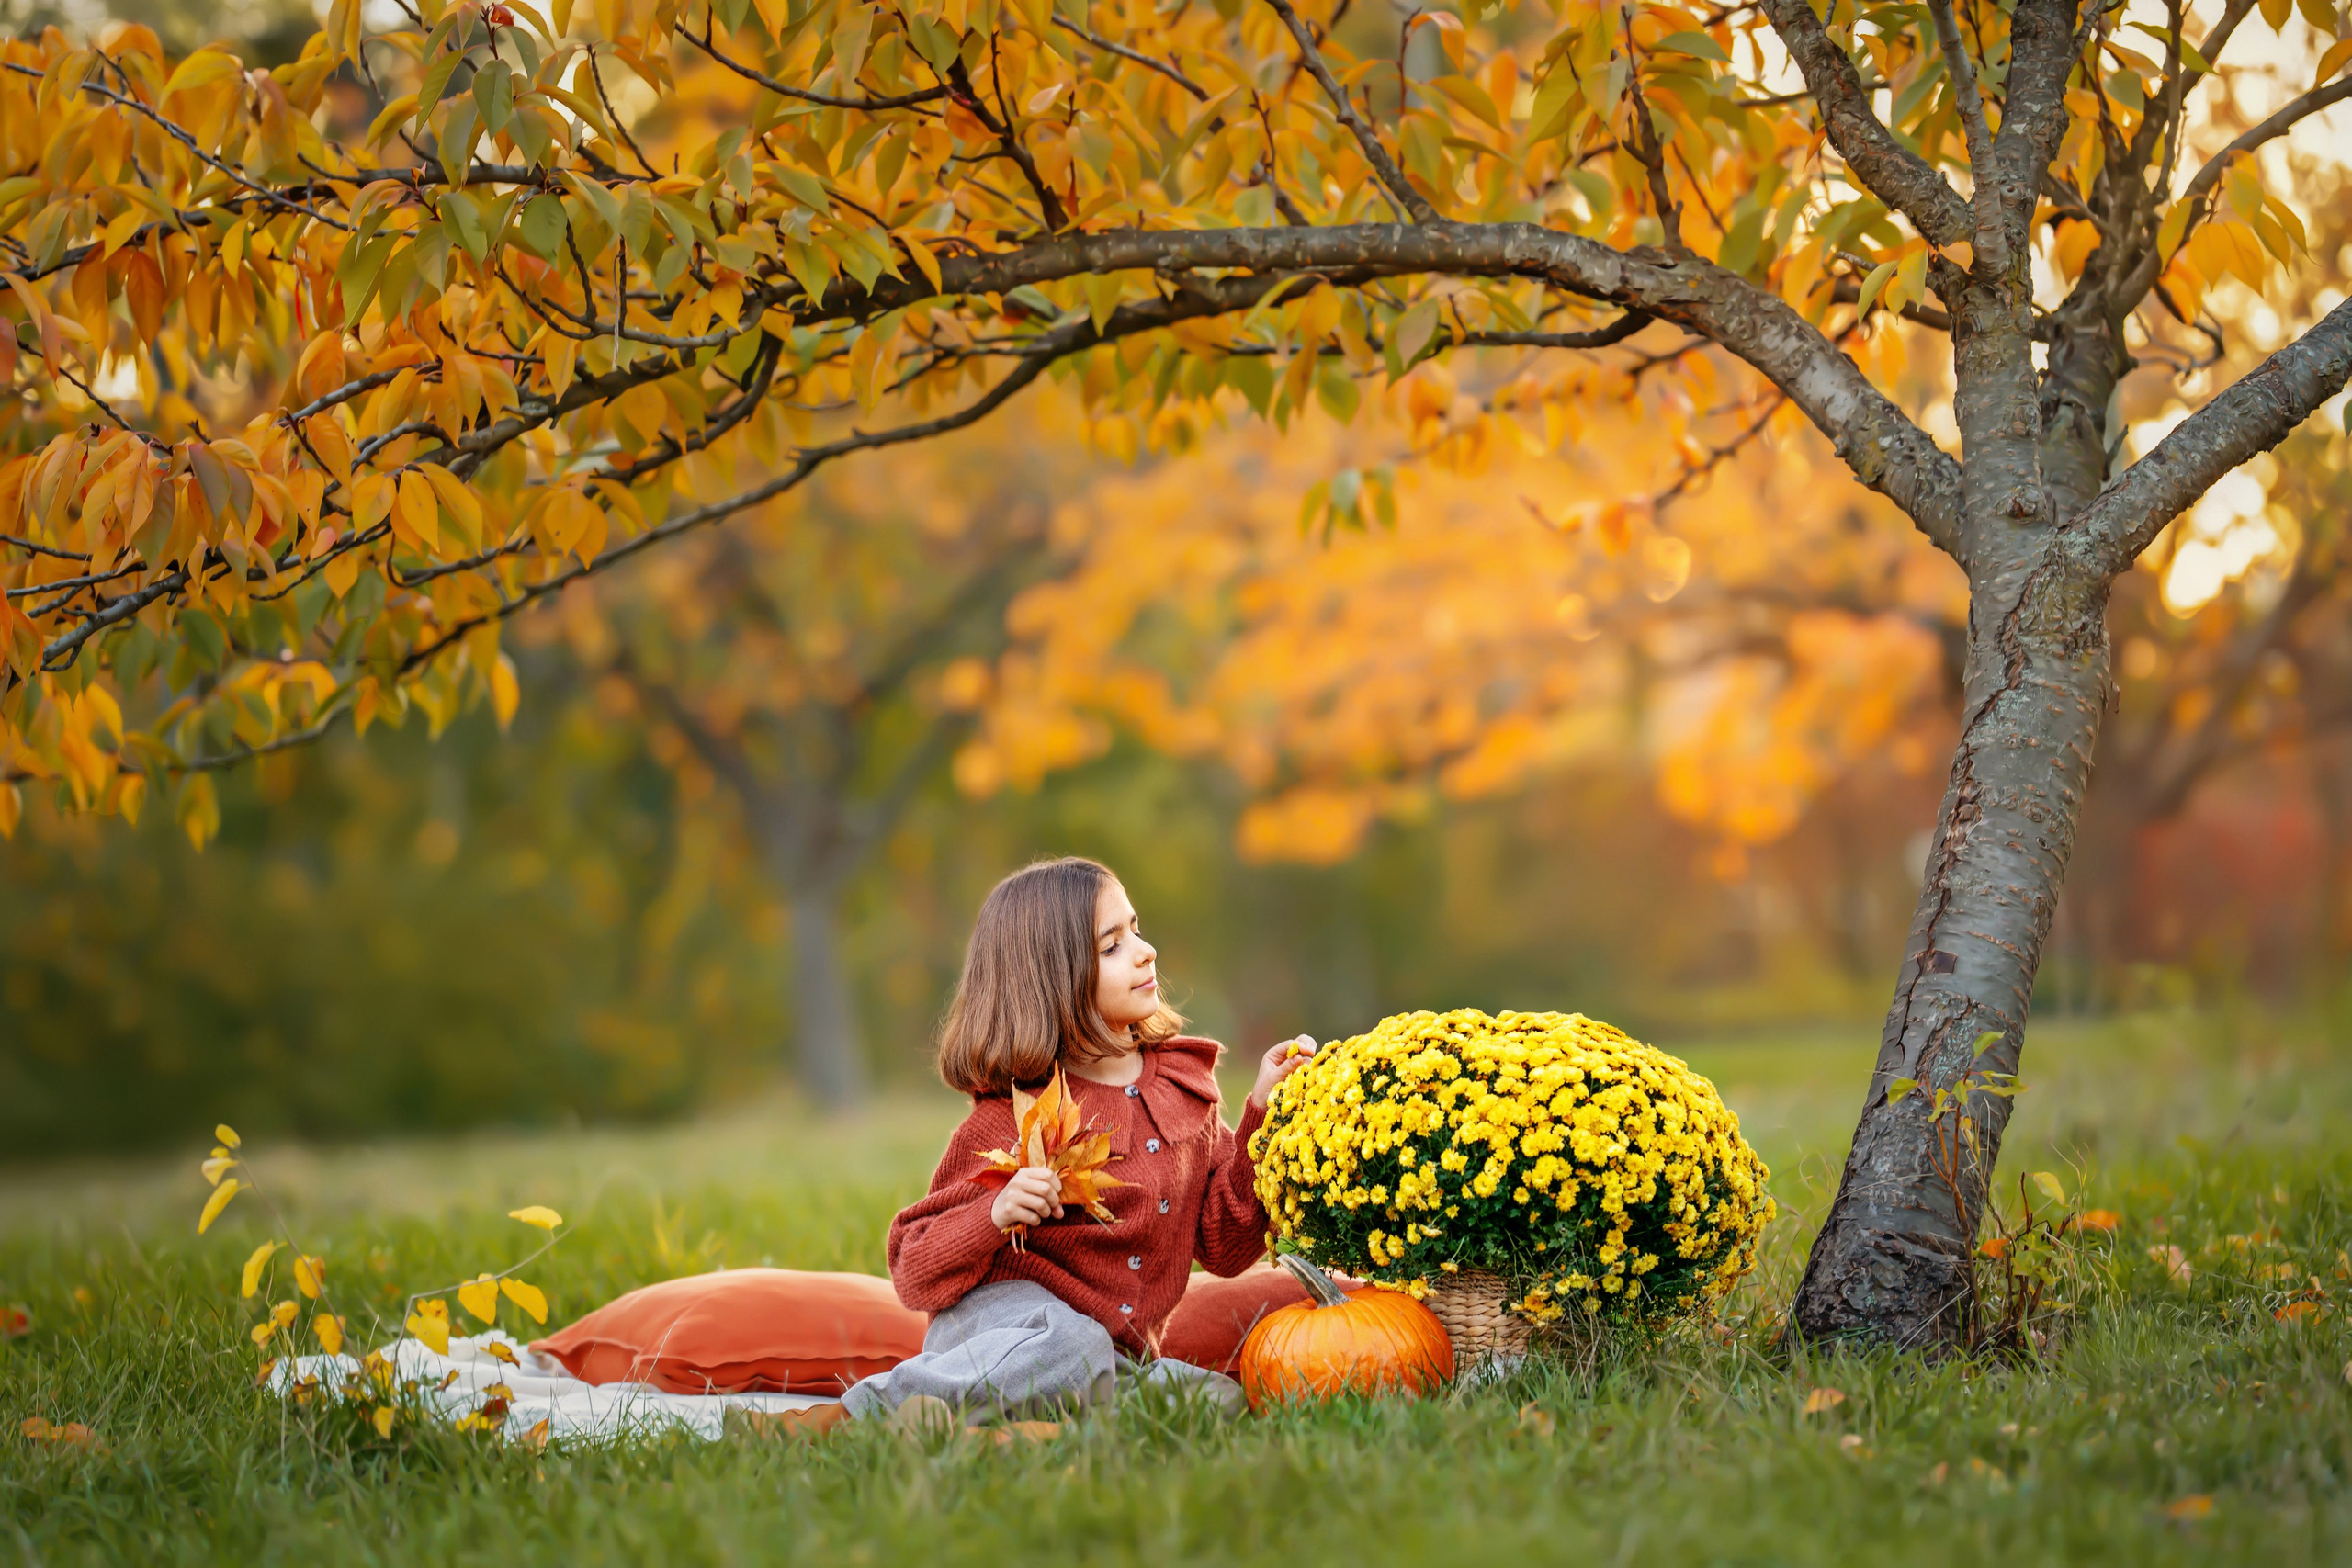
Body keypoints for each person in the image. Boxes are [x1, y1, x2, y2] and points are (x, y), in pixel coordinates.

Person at [842, 855, 1314, 1428]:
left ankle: (1015, 1434)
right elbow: (913, 1268)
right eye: (1111, 946)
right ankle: (868, 1412)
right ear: (1051, 979)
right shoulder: (1018, 1113)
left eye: (1136, 930)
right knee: (1075, 1348)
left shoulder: (1182, 1093)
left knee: (1215, 1404)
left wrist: (1263, 1113)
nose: (1145, 951)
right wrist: (993, 1214)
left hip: (1118, 1360)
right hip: (1008, 1333)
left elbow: (1226, 1246)